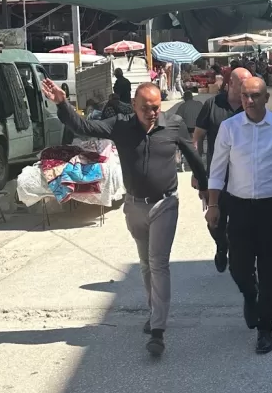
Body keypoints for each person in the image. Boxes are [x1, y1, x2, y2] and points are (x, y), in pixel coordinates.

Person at [40, 77, 208, 359]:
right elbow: (83, 127)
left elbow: (192, 155)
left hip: (165, 203)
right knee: (144, 265)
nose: (152, 113)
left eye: (156, 107)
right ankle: (154, 311)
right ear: (134, 105)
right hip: (134, 206)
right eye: (146, 108)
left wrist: (205, 187)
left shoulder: (173, 124)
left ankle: (158, 331)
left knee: (158, 263)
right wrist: (62, 103)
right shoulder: (120, 124)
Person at [206, 77, 272, 354]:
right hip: (238, 206)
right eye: (245, 96)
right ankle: (250, 296)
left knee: (270, 268)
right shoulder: (229, 129)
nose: (249, 101)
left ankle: (266, 328)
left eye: (255, 96)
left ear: (266, 98)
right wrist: (213, 205)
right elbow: (217, 170)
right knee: (238, 266)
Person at [193, 67, 252, 273]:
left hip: (245, 177)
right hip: (217, 176)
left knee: (243, 222)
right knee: (214, 220)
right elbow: (197, 138)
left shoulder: (251, 106)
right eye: (243, 84)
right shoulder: (212, 105)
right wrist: (196, 170)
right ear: (230, 84)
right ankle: (221, 245)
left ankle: (241, 257)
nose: (247, 90)